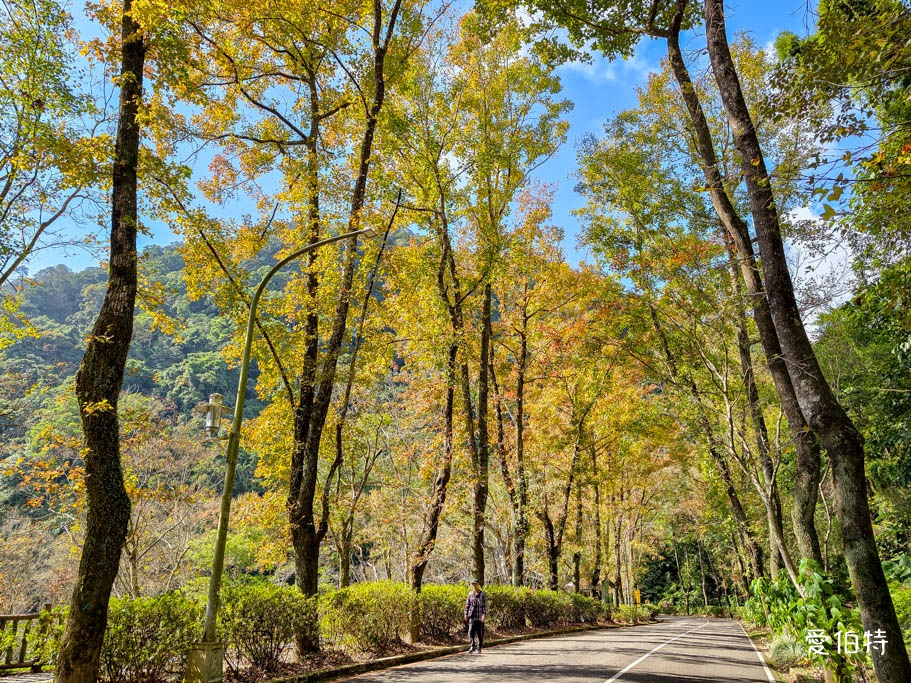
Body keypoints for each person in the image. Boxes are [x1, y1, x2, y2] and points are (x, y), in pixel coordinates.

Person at [464, 579, 487, 654]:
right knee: (470, 632)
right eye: (473, 584)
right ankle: (472, 646)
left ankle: (479, 647)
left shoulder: (482, 594)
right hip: (472, 616)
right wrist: (466, 614)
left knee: (479, 633)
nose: (474, 585)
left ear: (478, 584)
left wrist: (484, 615)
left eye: (475, 584)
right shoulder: (470, 594)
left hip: (479, 617)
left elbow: (485, 606)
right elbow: (467, 605)